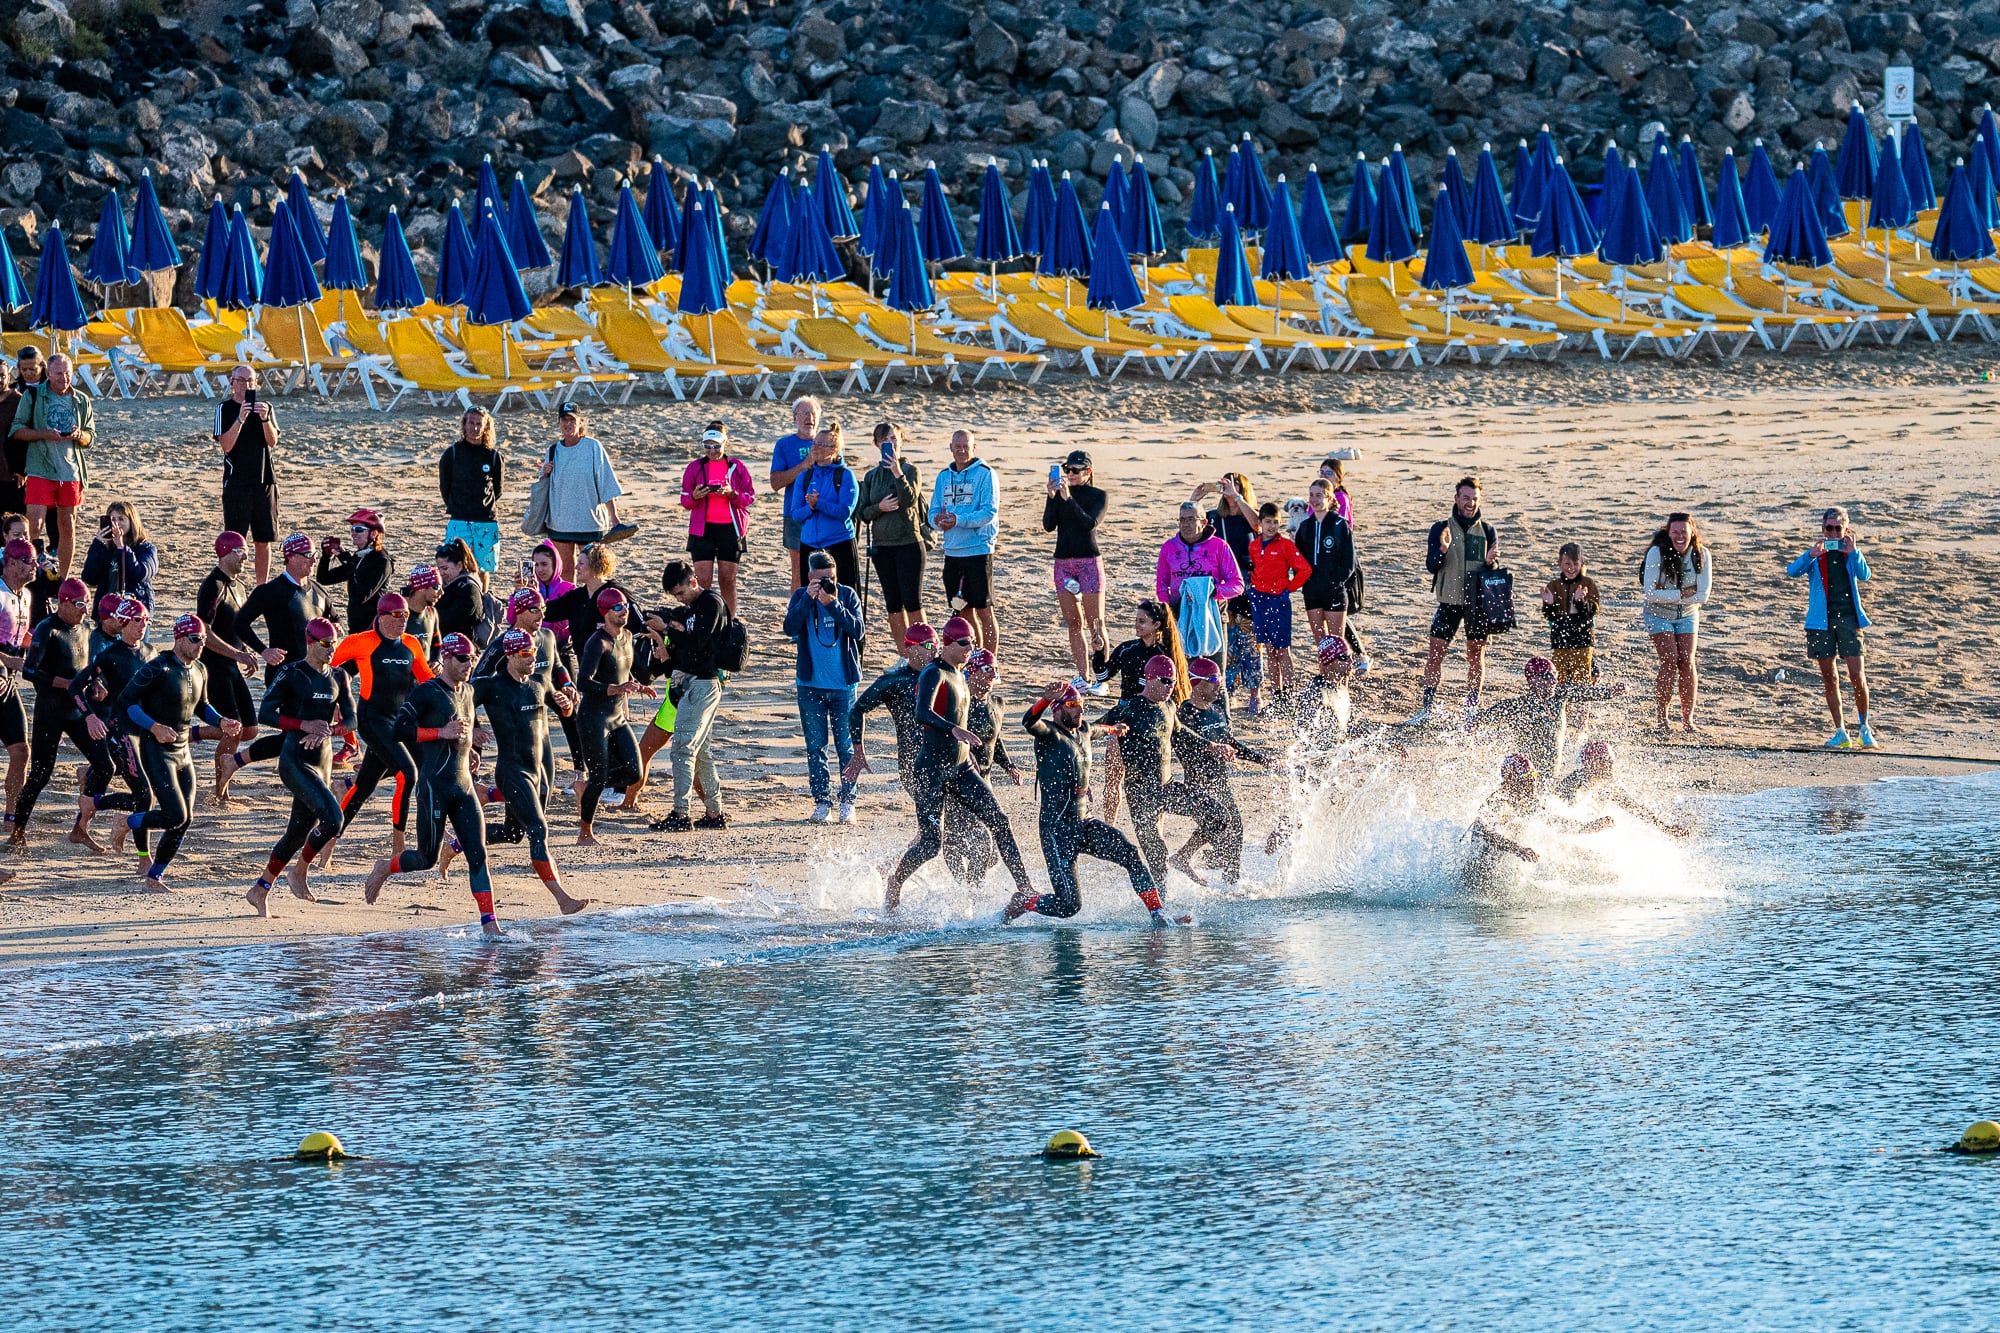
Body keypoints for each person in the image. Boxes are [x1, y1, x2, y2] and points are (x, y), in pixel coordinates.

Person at [881, 616, 1036, 912]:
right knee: (930, 844)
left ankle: (1025, 888)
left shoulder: (961, 676)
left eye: (973, 643)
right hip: (931, 770)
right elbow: (922, 713)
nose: (970, 648)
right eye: (965, 643)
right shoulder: (934, 672)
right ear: (948, 644)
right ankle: (896, 881)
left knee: (1000, 821)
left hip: (962, 768)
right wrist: (954, 729)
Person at [362, 635, 502, 935]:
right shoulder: (426, 692)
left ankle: (490, 925)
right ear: (446, 658)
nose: (469, 664)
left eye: (472, 658)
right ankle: (385, 867)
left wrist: (470, 749)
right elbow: (399, 730)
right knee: (426, 858)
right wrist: (440, 732)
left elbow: (463, 728)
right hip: (434, 786)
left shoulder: (468, 691)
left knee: (477, 853)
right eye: (463, 658)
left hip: (463, 785)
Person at [1007, 682, 1176, 926]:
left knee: (1130, 853)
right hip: (1057, 832)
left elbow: (1100, 729)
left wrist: (1115, 729)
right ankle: (1025, 902)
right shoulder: (1048, 734)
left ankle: (1158, 913)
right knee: (1069, 905)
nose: (1080, 709)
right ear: (1057, 709)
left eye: (1081, 704)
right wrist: (1045, 699)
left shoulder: (1084, 730)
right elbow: (1028, 722)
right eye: (1072, 704)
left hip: (1084, 824)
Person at [114, 615, 243, 888]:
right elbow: (126, 702)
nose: (201, 645)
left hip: (183, 752)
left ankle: (155, 876)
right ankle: (126, 821)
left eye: (203, 640)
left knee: (185, 819)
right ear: (180, 638)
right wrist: (154, 727)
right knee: (175, 815)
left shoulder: (200, 670)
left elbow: (202, 705)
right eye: (195, 639)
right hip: (157, 750)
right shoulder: (157, 668)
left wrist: (221, 721)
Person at [473, 628, 590, 914]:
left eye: (534, 653)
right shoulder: (492, 686)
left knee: (513, 833)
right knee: (538, 829)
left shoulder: (539, 682)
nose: (532, 659)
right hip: (512, 770)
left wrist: (566, 705)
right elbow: (456, 704)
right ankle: (563, 899)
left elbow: (564, 710)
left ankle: (457, 844)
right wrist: (471, 731)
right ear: (510, 656)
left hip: (538, 770)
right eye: (526, 654)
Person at [246, 618, 355, 915]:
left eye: (334, 644)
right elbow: (265, 713)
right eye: (325, 644)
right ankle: (299, 872)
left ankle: (260, 889)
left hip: (322, 761)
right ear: (310, 642)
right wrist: (304, 724)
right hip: (294, 759)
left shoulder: (339, 676)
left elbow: (352, 719)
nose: (331, 650)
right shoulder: (291, 673)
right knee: (334, 820)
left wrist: (330, 730)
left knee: (297, 832)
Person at [1101, 654, 1230, 889]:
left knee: (1219, 815)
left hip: (1167, 788)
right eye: (1165, 681)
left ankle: (1183, 856)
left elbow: (1182, 733)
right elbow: (1090, 730)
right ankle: (1159, 907)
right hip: (1141, 797)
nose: (1170, 687)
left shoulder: (1170, 707)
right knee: (1158, 863)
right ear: (1149, 679)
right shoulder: (1128, 709)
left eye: (1173, 682)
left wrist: (1212, 746)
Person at [325, 592, 434, 864]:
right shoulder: (362, 642)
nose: (403, 620)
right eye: (397, 615)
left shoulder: (411, 644)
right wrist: (335, 700)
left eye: (406, 615)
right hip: (372, 720)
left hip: (401, 721)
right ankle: (398, 846)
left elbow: (428, 681)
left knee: (365, 785)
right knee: (407, 774)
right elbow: (324, 665)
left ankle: (328, 841)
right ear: (382, 616)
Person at [8, 578, 113, 846]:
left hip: (78, 710)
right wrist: (64, 683)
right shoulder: (48, 629)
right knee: (40, 775)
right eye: (79, 604)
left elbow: (90, 666)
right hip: (51, 711)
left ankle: (81, 826)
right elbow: (30, 671)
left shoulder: (86, 628)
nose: (84, 610)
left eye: (87, 604)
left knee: (105, 766)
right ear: (63, 603)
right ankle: (17, 832)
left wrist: (96, 682)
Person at [67, 596, 153, 851]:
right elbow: (75, 687)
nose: (143, 625)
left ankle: (87, 815)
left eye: (146, 620)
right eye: (137, 620)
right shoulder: (109, 655)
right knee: (144, 796)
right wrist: (89, 716)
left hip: (144, 730)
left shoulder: (150, 652)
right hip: (119, 731)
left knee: (145, 792)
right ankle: (139, 851)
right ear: (124, 622)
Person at [784, 549, 864, 824]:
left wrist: (833, 604)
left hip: (844, 686)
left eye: (832, 578)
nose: (828, 583)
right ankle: (822, 802)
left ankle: (848, 801)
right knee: (816, 747)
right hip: (810, 686)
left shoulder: (847, 595)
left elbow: (858, 630)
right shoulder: (801, 596)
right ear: (810, 577)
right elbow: (789, 627)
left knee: (846, 747)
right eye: (822, 579)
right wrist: (809, 598)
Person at [1096, 599, 1191, 824]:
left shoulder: (1166, 655)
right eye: (1136, 620)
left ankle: (1156, 830)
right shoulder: (1127, 649)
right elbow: (1102, 676)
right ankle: (1110, 828)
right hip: (1123, 720)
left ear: (1156, 625)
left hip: (1152, 724)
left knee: (1157, 782)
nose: (1137, 625)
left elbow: (1173, 694)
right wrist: (1099, 652)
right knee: (1113, 778)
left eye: (1142, 621)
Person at [1172, 657, 1266, 883]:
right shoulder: (1185, 714)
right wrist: (1211, 748)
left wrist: (1264, 760)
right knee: (1224, 838)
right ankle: (1185, 858)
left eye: (1220, 680)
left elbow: (1230, 743)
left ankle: (1230, 886)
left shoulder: (1217, 711)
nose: (1219, 685)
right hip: (1199, 788)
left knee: (1236, 834)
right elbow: (1184, 744)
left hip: (1221, 784)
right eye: (1214, 680)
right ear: (1197, 682)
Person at [1787, 506, 1875, 749]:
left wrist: (1854, 553)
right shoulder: (1817, 554)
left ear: (1846, 529)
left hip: (1849, 620)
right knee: (1830, 677)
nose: (1834, 533)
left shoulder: (1850, 554)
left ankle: (1864, 728)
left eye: (1838, 528)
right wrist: (1811, 554)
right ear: (1823, 528)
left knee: (1857, 675)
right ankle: (1840, 731)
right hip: (1820, 622)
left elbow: (1865, 575)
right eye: (1829, 528)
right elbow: (1792, 571)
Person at [1415, 477, 1500, 722]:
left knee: (1476, 656)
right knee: (1435, 654)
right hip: (1448, 601)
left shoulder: (1487, 531)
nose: (1470, 503)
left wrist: (1491, 564)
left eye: (1474, 499)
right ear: (1456, 499)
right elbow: (1431, 566)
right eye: (1466, 498)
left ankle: (1471, 709)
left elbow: (1493, 574)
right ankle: (1426, 708)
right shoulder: (1441, 528)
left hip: (1477, 605)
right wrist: (1442, 549)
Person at [574, 586, 653, 844]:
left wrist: (638, 686)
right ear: (605, 612)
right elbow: (583, 682)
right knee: (599, 776)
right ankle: (585, 832)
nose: (624, 612)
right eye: (618, 608)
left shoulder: (627, 636)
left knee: (634, 771)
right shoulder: (598, 643)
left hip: (617, 716)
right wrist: (617, 688)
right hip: (593, 717)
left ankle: (587, 787)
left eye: (626, 607)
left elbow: (621, 669)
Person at [653, 560, 728, 832]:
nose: (679, 599)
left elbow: (698, 644)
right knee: (702, 752)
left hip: (703, 684)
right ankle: (714, 813)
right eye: (675, 596)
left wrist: (668, 629)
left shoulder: (711, 603)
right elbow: (685, 649)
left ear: (693, 582)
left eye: (681, 593)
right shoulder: (692, 609)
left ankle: (681, 814)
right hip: (695, 685)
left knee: (683, 749)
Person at [1471, 656, 1626, 782]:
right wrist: (1471, 722)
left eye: (1555, 675)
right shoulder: (1518, 706)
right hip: (1528, 779)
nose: (1553, 681)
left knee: (1585, 775)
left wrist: (1611, 692)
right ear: (1532, 679)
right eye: (1547, 676)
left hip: (1553, 779)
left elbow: (1585, 693)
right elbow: (1482, 718)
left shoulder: (1560, 696)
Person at [10, 351, 95, 579]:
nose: (64, 379)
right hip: (40, 468)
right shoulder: (34, 395)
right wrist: (44, 434)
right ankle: (31, 575)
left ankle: (62, 580)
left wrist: (79, 435)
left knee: (67, 526)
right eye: (58, 374)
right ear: (48, 373)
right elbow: (17, 431)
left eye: (67, 373)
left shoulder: (81, 399)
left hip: (71, 472)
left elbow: (90, 437)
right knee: (34, 526)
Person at [943, 646, 1023, 884]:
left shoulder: (998, 704)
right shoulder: (960, 701)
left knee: (992, 853)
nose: (993, 675)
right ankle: (967, 888)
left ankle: (967, 888)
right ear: (973, 671)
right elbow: (944, 735)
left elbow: (994, 740)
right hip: (959, 780)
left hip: (985, 782)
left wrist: (1009, 766)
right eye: (987, 669)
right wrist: (965, 753)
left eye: (995, 670)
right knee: (961, 842)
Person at [195, 531, 265, 792]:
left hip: (231, 664)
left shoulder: (240, 587)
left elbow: (236, 626)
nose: (245, 557)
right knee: (233, 730)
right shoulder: (213, 586)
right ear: (223, 553)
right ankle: (220, 791)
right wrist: (237, 654)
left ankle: (190, 734)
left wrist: (245, 651)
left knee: (250, 729)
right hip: (213, 667)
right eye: (239, 552)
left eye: (246, 551)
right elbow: (204, 631)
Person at [538, 402, 631, 580]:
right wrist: (545, 473)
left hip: (590, 521)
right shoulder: (553, 450)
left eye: (572, 420)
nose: (568, 424)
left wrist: (614, 517)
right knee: (565, 569)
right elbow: (543, 486)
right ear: (559, 423)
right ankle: (570, 598)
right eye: (564, 420)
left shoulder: (593, 447)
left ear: (580, 422)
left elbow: (606, 482)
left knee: (594, 569)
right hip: (560, 522)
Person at [844, 622, 935, 802]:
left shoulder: (944, 675)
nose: (934, 650)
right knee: (929, 812)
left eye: (937, 645)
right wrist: (858, 751)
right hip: (911, 763)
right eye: (928, 645)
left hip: (944, 756)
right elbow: (857, 710)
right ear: (910, 648)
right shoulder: (895, 681)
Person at [857, 421, 929, 649]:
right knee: (893, 605)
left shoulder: (911, 470)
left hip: (909, 543)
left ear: (901, 441)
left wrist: (898, 472)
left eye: (894, 439)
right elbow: (862, 513)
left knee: (913, 602)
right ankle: (905, 655)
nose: (890, 443)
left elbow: (909, 500)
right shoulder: (872, 476)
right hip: (882, 547)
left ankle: (925, 652)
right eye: (885, 440)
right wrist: (880, 507)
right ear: (877, 445)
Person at [1470, 754, 1612, 867]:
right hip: (1480, 873)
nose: (1533, 786)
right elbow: (1484, 831)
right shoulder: (1495, 802)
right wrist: (1517, 849)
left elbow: (1556, 822)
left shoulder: (1529, 803)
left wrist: (1587, 827)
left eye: (1534, 778)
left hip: (1505, 867)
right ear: (1511, 782)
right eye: (1527, 780)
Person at [1641, 510, 1712, 735]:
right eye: (1675, 532)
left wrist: (1669, 594)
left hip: (1688, 614)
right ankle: (1662, 719)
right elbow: (1650, 593)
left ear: (1692, 532)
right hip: (1658, 614)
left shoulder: (1702, 554)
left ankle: (1688, 720)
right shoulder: (1656, 553)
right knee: (1670, 660)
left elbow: (1702, 595)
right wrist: (1683, 592)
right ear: (1668, 533)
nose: (1680, 536)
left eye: (1684, 532)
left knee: (1687, 662)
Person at [1043, 448, 1108, 689]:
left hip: (1088, 562)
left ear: (1088, 472)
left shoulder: (1098, 495)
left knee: (1096, 623)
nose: (1070, 474)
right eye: (1067, 469)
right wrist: (1052, 497)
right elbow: (1048, 525)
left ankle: (1102, 677)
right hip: (1063, 563)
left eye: (1075, 470)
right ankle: (1084, 675)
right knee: (1073, 622)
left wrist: (1069, 499)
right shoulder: (1059, 495)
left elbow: (1089, 523)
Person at [928, 430, 999, 651]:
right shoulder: (943, 476)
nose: (961, 451)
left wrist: (958, 520)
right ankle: (974, 656)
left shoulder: (986, 474)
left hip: (978, 550)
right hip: (952, 552)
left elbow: (989, 513)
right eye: (957, 446)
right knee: (963, 610)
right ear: (951, 448)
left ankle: (990, 661)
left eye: (966, 446)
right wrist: (937, 521)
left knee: (984, 610)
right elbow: (932, 511)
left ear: (974, 447)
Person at [1154, 501, 1243, 676]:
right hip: (1180, 616)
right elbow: (1161, 587)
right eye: (1181, 520)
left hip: (1213, 616)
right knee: (1182, 672)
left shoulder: (1219, 546)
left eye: (1190, 519)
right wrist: (1169, 612)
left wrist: (1211, 591)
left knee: (1216, 674)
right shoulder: (1169, 548)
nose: (1185, 524)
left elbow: (1237, 585)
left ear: (1203, 522)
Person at [1192, 473, 1259, 697]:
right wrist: (1195, 500)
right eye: (1225, 483)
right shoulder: (1214, 517)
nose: (1228, 487)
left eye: (1234, 483)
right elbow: (1193, 529)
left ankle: (1254, 693)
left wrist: (1237, 498)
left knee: (1250, 640)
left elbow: (1258, 524)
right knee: (1226, 638)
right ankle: (1226, 691)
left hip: (1248, 581)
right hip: (1222, 582)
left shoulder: (1248, 515)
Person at [680, 422, 756, 616]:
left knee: (727, 580)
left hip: (730, 529)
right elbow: (685, 500)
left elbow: (750, 497)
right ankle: (700, 618)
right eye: (707, 446)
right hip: (702, 530)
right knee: (702, 581)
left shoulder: (736, 466)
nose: (712, 450)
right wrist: (695, 496)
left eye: (716, 446)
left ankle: (729, 621)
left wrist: (732, 493)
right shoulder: (695, 467)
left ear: (725, 444)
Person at [214, 364, 280, 582]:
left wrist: (264, 419)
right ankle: (232, 583)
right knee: (235, 540)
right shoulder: (224, 409)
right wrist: (240, 418)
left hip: (264, 481)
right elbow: (226, 445)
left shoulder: (266, 408)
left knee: (263, 540)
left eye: (250, 381)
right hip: (237, 484)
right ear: (231, 382)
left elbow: (272, 441)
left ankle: (261, 586)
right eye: (241, 380)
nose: (246, 385)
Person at [1245, 500, 1312, 710]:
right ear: (1260, 523)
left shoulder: (1285, 545)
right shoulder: (1254, 546)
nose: (1272, 526)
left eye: (1276, 522)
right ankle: (1277, 695)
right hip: (1259, 600)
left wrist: (1288, 588)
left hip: (1278, 600)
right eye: (1268, 522)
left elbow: (1304, 569)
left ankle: (1289, 694)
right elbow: (1254, 568)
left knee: (1282, 649)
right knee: (1269, 649)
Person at [1556, 740, 1692, 836]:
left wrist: (1665, 828)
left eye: (1611, 762)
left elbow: (1637, 809)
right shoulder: (1573, 786)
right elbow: (1552, 822)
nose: (1610, 767)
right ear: (1590, 764)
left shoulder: (1608, 786)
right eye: (1605, 761)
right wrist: (1586, 828)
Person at [1293, 478, 1358, 675]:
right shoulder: (1305, 526)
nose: (1314, 499)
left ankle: (1342, 684)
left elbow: (1349, 562)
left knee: (1337, 644)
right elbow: (1298, 560)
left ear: (1329, 498)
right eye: (1311, 495)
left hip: (1334, 592)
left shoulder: (1339, 524)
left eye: (1318, 495)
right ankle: (1325, 679)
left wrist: (1334, 581)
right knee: (1321, 643)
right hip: (1312, 592)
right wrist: (1305, 581)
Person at [785, 422, 859, 589]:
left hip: (839, 543)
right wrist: (810, 508)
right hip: (809, 545)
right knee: (811, 594)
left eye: (821, 444)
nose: (814, 448)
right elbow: (795, 513)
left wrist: (820, 503)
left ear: (833, 450)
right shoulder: (804, 476)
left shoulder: (845, 475)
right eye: (814, 443)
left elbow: (845, 511)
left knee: (844, 594)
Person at [439, 406, 504, 594]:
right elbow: (445, 487)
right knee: (454, 564)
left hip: (485, 521)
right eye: (471, 423)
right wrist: (459, 505)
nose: (475, 428)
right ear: (464, 425)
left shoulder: (493, 456)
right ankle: (456, 599)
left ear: (485, 427)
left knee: (483, 568)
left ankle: (482, 600)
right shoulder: (452, 454)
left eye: (479, 424)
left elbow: (497, 490)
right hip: (459, 520)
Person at [769, 395, 823, 591]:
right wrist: (802, 466)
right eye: (804, 414)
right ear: (795, 418)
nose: (810, 418)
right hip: (795, 513)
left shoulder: (826, 442)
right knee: (800, 569)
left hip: (824, 512)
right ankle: (799, 608)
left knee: (825, 566)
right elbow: (775, 483)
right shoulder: (784, 445)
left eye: (813, 414)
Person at [0, 539, 34, 828]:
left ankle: (11, 818)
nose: (33, 566)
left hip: (7, 684)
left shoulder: (26, 596)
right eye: (27, 561)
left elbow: (22, 637)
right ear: (10, 563)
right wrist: (5, 660)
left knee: (21, 751)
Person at [79, 500, 159, 622]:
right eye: (112, 519)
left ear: (132, 522)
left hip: (136, 614)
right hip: (108, 612)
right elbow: (89, 578)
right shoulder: (106, 548)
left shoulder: (146, 548)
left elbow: (140, 573)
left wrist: (122, 548)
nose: (116, 523)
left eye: (121, 519)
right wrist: (97, 544)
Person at [317, 508, 393, 630]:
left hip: (372, 628)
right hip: (356, 626)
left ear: (373, 534)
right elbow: (324, 578)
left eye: (359, 529)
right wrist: (326, 556)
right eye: (352, 529)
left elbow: (361, 596)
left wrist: (348, 561)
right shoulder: (359, 557)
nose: (353, 533)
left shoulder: (381, 561)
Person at [1541, 542, 1600, 686]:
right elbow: (1551, 617)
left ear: (1582, 564)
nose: (1571, 568)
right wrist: (1549, 604)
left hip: (1582, 642)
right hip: (1560, 642)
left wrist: (1580, 601)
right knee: (1558, 680)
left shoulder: (1588, 584)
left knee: (1581, 682)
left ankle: (1583, 700)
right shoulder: (1553, 586)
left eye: (1575, 563)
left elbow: (1592, 611)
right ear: (1559, 564)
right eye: (1567, 563)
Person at [433, 538, 487, 646]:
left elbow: (455, 620)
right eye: (439, 569)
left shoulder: (469, 588)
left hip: (463, 646)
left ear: (459, 565)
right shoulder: (446, 584)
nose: (441, 573)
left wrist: (430, 615)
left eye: (445, 568)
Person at [0, 352, 34, 518]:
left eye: (2, 375)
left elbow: (27, 438)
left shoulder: (19, 402)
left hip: (13, 476)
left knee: (17, 523)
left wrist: (22, 470)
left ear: (9, 376)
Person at [403, 564, 441, 660]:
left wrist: (437, 661)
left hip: (425, 669)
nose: (442, 592)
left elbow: (438, 645)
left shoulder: (432, 612)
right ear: (421, 588)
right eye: (436, 587)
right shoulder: (395, 614)